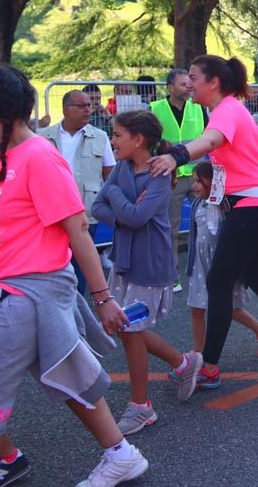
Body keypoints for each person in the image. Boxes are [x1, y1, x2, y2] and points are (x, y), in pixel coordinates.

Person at [0, 66, 149, 487]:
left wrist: (102, 296)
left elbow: (76, 228)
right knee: (67, 373)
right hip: (15, 292)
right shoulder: (11, 155)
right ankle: (121, 453)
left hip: (25, 296)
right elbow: (11, 214)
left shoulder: (38, 156)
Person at [148, 55, 258, 388]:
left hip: (252, 207)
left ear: (213, 82)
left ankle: (208, 366)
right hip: (252, 206)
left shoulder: (228, 110)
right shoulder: (225, 109)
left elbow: (209, 143)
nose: (189, 84)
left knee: (218, 283)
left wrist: (175, 155)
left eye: (193, 78)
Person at [90, 110, 202, 434]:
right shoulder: (123, 168)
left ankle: (141, 406)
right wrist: (121, 205)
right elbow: (98, 207)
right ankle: (183, 363)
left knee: (130, 331)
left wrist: (115, 197)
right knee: (128, 328)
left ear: (138, 140)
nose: (112, 141)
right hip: (125, 258)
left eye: (117, 135)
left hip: (150, 262)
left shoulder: (158, 174)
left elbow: (137, 216)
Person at [185, 162, 258, 364]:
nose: (195, 185)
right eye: (193, 181)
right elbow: (194, 237)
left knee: (229, 307)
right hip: (200, 264)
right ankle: (198, 354)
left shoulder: (224, 205)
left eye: (199, 180)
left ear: (212, 181)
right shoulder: (197, 204)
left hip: (221, 262)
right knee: (196, 308)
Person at [37, 89, 116, 294]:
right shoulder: (42, 137)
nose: (88, 110)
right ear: (65, 109)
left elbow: (110, 173)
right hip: (49, 213)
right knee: (51, 264)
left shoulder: (100, 137)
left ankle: (77, 310)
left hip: (84, 212)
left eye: (89, 105)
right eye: (82, 106)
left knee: (81, 266)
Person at [151, 69, 208, 288]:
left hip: (197, 175)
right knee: (170, 228)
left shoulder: (199, 108)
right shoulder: (155, 109)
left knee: (207, 223)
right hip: (170, 178)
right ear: (170, 87)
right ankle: (170, 275)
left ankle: (206, 269)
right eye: (183, 84)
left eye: (189, 84)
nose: (188, 88)